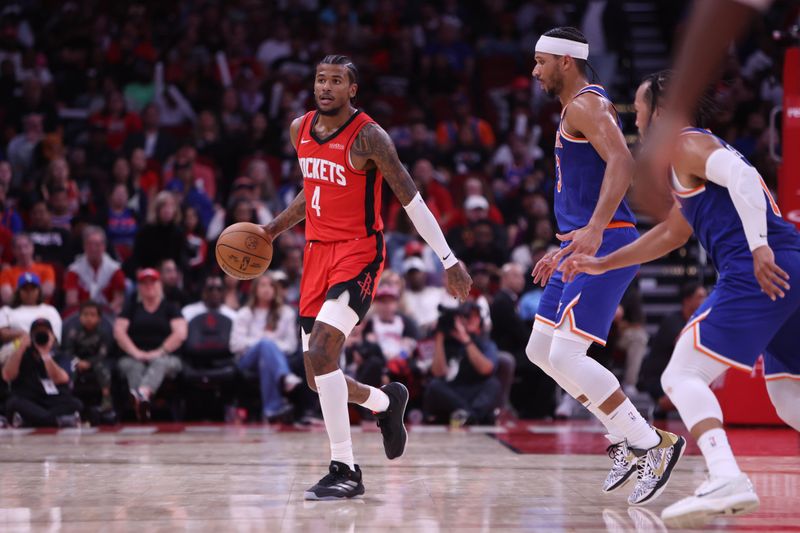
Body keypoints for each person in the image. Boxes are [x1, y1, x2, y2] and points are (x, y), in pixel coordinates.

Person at [562, 70, 800, 527]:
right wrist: (601, 263)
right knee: (789, 396)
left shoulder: (685, 143)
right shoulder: (688, 160)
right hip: (787, 264)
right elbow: (673, 233)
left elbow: (745, 177)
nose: (636, 120)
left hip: (760, 267)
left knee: (681, 374)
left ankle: (725, 476)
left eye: (640, 108)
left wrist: (758, 247)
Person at [262, 55, 471, 500]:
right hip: (316, 255)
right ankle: (384, 402)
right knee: (319, 376)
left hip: (359, 253)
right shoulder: (300, 129)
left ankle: (345, 468)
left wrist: (448, 259)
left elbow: (411, 199)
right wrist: (270, 230)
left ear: (352, 90)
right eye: (321, 79)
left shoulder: (370, 137)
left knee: (320, 352)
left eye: (336, 81)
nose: (326, 87)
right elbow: (312, 190)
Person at [526, 27, 685, 507]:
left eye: (541, 61)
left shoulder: (586, 105)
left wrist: (594, 229)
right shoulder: (573, 109)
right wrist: (567, 242)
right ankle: (624, 437)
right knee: (539, 349)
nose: (534, 71)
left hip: (606, 241)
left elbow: (622, 161)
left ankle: (652, 443)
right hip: (580, 243)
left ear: (566, 62)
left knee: (566, 357)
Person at [114, 268, 187, 422]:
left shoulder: (170, 307)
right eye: (144, 283)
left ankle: (141, 395)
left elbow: (180, 333)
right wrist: (136, 353)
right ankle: (142, 406)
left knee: (160, 363)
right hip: (133, 355)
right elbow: (119, 332)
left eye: (152, 282)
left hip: (166, 355)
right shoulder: (131, 307)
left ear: (159, 284)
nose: (149, 286)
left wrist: (159, 352)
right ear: (139, 287)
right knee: (133, 365)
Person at [229, 273, 301, 422]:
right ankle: (285, 376)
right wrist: (263, 342)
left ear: (275, 290)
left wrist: (269, 346)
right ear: (255, 289)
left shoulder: (286, 313)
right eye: (262, 285)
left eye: (270, 286)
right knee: (265, 344)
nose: (267, 289)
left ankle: (272, 409)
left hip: (275, 360)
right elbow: (235, 344)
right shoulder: (244, 313)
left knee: (266, 359)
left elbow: (291, 345)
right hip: (247, 360)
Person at [423, 301, 501, 426]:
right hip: (451, 393)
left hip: (473, 390)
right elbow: (438, 373)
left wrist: (465, 340)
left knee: (493, 384)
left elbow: (486, 369)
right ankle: (472, 416)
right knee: (434, 385)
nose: (472, 320)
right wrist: (439, 337)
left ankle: (468, 414)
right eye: (468, 316)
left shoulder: (484, 343)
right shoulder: (447, 342)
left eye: (476, 316)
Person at [3, 318, 82, 428]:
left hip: (53, 400)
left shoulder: (61, 356)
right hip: (29, 399)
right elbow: (7, 376)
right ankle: (57, 420)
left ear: (53, 336)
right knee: (13, 403)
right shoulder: (21, 355)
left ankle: (32, 420)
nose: (40, 337)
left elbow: (61, 379)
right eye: (36, 334)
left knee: (75, 403)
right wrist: (20, 348)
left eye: (44, 333)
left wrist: (45, 354)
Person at [62, 300, 115, 416]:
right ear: (79, 317)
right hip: (77, 361)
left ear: (99, 318)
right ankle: (66, 401)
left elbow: (103, 353)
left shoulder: (104, 332)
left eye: (92, 315)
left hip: (97, 361)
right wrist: (77, 361)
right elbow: (67, 351)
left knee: (104, 369)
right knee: (68, 368)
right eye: (85, 314)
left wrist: (88, 363)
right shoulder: (73, 331)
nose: (88, 318)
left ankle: (107, 402)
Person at [63, 226, 126, 316]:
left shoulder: (115, 270)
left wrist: (100, 315)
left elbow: (118, 300)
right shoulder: (74, 270)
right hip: (81, 315)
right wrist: (89, 315)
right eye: (89, 244)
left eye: (97, 244)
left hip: (108, 314)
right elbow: (71, 301)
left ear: (104, 246)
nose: (93, 248)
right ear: (84, 246)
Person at [0, 233, 56, 305]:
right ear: (13, 251)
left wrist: (19, 293)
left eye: (26, 246)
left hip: (42, 309)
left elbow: (48, 291)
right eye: (19, 248)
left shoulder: (47, 269)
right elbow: (6, 298)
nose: (23, 251)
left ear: (32, 247)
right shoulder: (6, 273)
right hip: (16, 311)